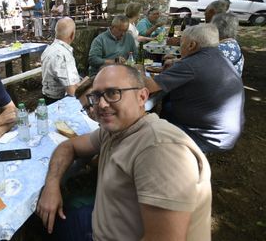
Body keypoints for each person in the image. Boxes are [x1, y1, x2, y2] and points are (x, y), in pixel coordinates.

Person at [36, 64, 212, 241]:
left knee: (49, 225)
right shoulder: (115, 130)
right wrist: (52, 185)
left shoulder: (159, 148)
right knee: (47, 222)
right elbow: (69, 146)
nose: (102, 104)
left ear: (142, 96)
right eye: (96, 96)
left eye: (113, 93)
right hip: (101, 221)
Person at [144, 24, 244, 152]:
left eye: (181, 42)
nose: (180, 46)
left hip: (207, 136)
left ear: (191, 45)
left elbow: (148, 86)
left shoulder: (192, 64)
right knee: (167, 104)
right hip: (225, 133)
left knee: (147, 130)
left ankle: (167, 155)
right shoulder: (218, 57)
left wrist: (135, 73)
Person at [41, 17, 81, 104]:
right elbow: (72, 91)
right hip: (59, 102)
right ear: (72, 34)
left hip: (46, 97)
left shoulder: (48, 49)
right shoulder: (64, 55)